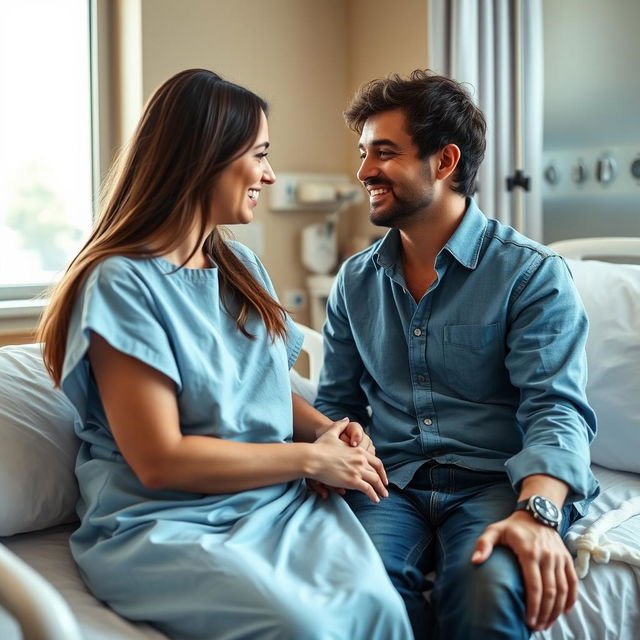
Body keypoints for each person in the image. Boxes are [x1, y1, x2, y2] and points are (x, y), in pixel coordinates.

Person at [37, 68, 412, 640]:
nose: (269, 172)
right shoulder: (121, 284)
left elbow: (257, 387)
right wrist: (308, 461)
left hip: (273, 503)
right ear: (204, 156)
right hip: (166, 519)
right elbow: (159, 460)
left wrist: (326, 431)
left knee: (381, 611)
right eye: (258, 153)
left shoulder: (241, 271)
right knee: (305, 626)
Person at [314, 69, 599, 640]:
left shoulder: (530, 274)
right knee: (353, 595)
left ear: (444, 163)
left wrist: (537, 513)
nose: (364, 170)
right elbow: (336, 405)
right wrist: (328, 443)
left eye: (384, 152)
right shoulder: (355, 282)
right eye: (364, 152)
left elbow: (556, 410)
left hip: (498, 482)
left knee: (485, 592)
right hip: (387, 484)